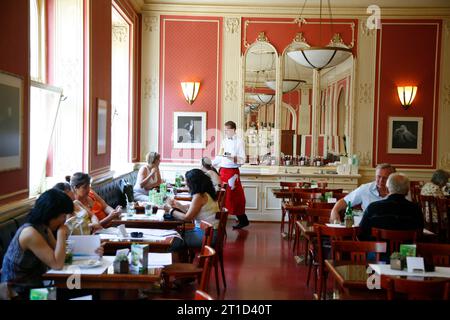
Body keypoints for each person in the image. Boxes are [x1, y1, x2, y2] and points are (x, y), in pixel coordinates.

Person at [0, 189, 103, 299]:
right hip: (21, 293)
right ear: (52, 213)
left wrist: (92, 251)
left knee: (89, 290)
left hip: (36, 287)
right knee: (88, 292)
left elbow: (62, 256)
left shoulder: (43, 228)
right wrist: (61, 234)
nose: (64, 220)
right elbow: (57, 264)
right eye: (63, 216)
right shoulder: (30, 233)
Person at [358, 173, 424, 241]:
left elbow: (361, 234)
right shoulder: (415, 209)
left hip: (378, 250)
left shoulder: (373, 207)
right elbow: (419, 235)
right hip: (406, 251)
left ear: (387, 189)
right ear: (407, 191)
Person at [166, 169, 219, 249]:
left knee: (173, 240)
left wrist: (170, 210)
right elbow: (194, 213)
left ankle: (172, 260)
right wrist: (179, 205)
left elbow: (188, 218)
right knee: (176, 234)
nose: (186, 185)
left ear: (193, 183)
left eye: (187, 182)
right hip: (211, 233)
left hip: (207, 235)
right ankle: (182, 258)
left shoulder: (199, 196)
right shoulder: (206, 193)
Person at [212, 120, 249, 229]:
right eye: (225, 130)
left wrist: (231, 157)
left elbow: (243, 159)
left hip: (233, 172)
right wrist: (211, 163)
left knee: (234, 197)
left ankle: (243, 220)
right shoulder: (224, 141)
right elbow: (220, 156)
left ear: (233, 130)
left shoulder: (239, 141)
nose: (226, 132)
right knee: (221, 196)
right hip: (222, 171)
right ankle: (220, 222)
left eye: (227, 130)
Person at [330, 163, 396, 223]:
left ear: (392, 178)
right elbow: (345, 201)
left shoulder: (399, 190)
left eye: (385, 178)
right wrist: (334, 211)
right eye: (378, 177)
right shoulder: (365, 189)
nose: (381, 180)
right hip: (369, 229)